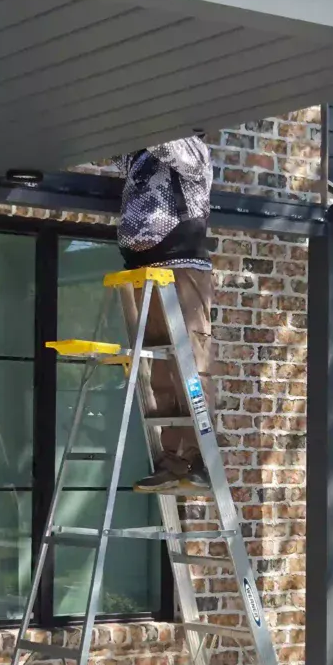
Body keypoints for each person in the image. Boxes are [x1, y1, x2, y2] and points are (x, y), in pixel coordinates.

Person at [117, 135, 214, 495]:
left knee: (190, 364)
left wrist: (145, 103)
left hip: (181, 266)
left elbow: (164, 143)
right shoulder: (140, 155)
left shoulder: (192, 147)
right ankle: (173, 462)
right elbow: (118, 153)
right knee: (158, 368)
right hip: (145, 270)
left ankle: (200, 461)